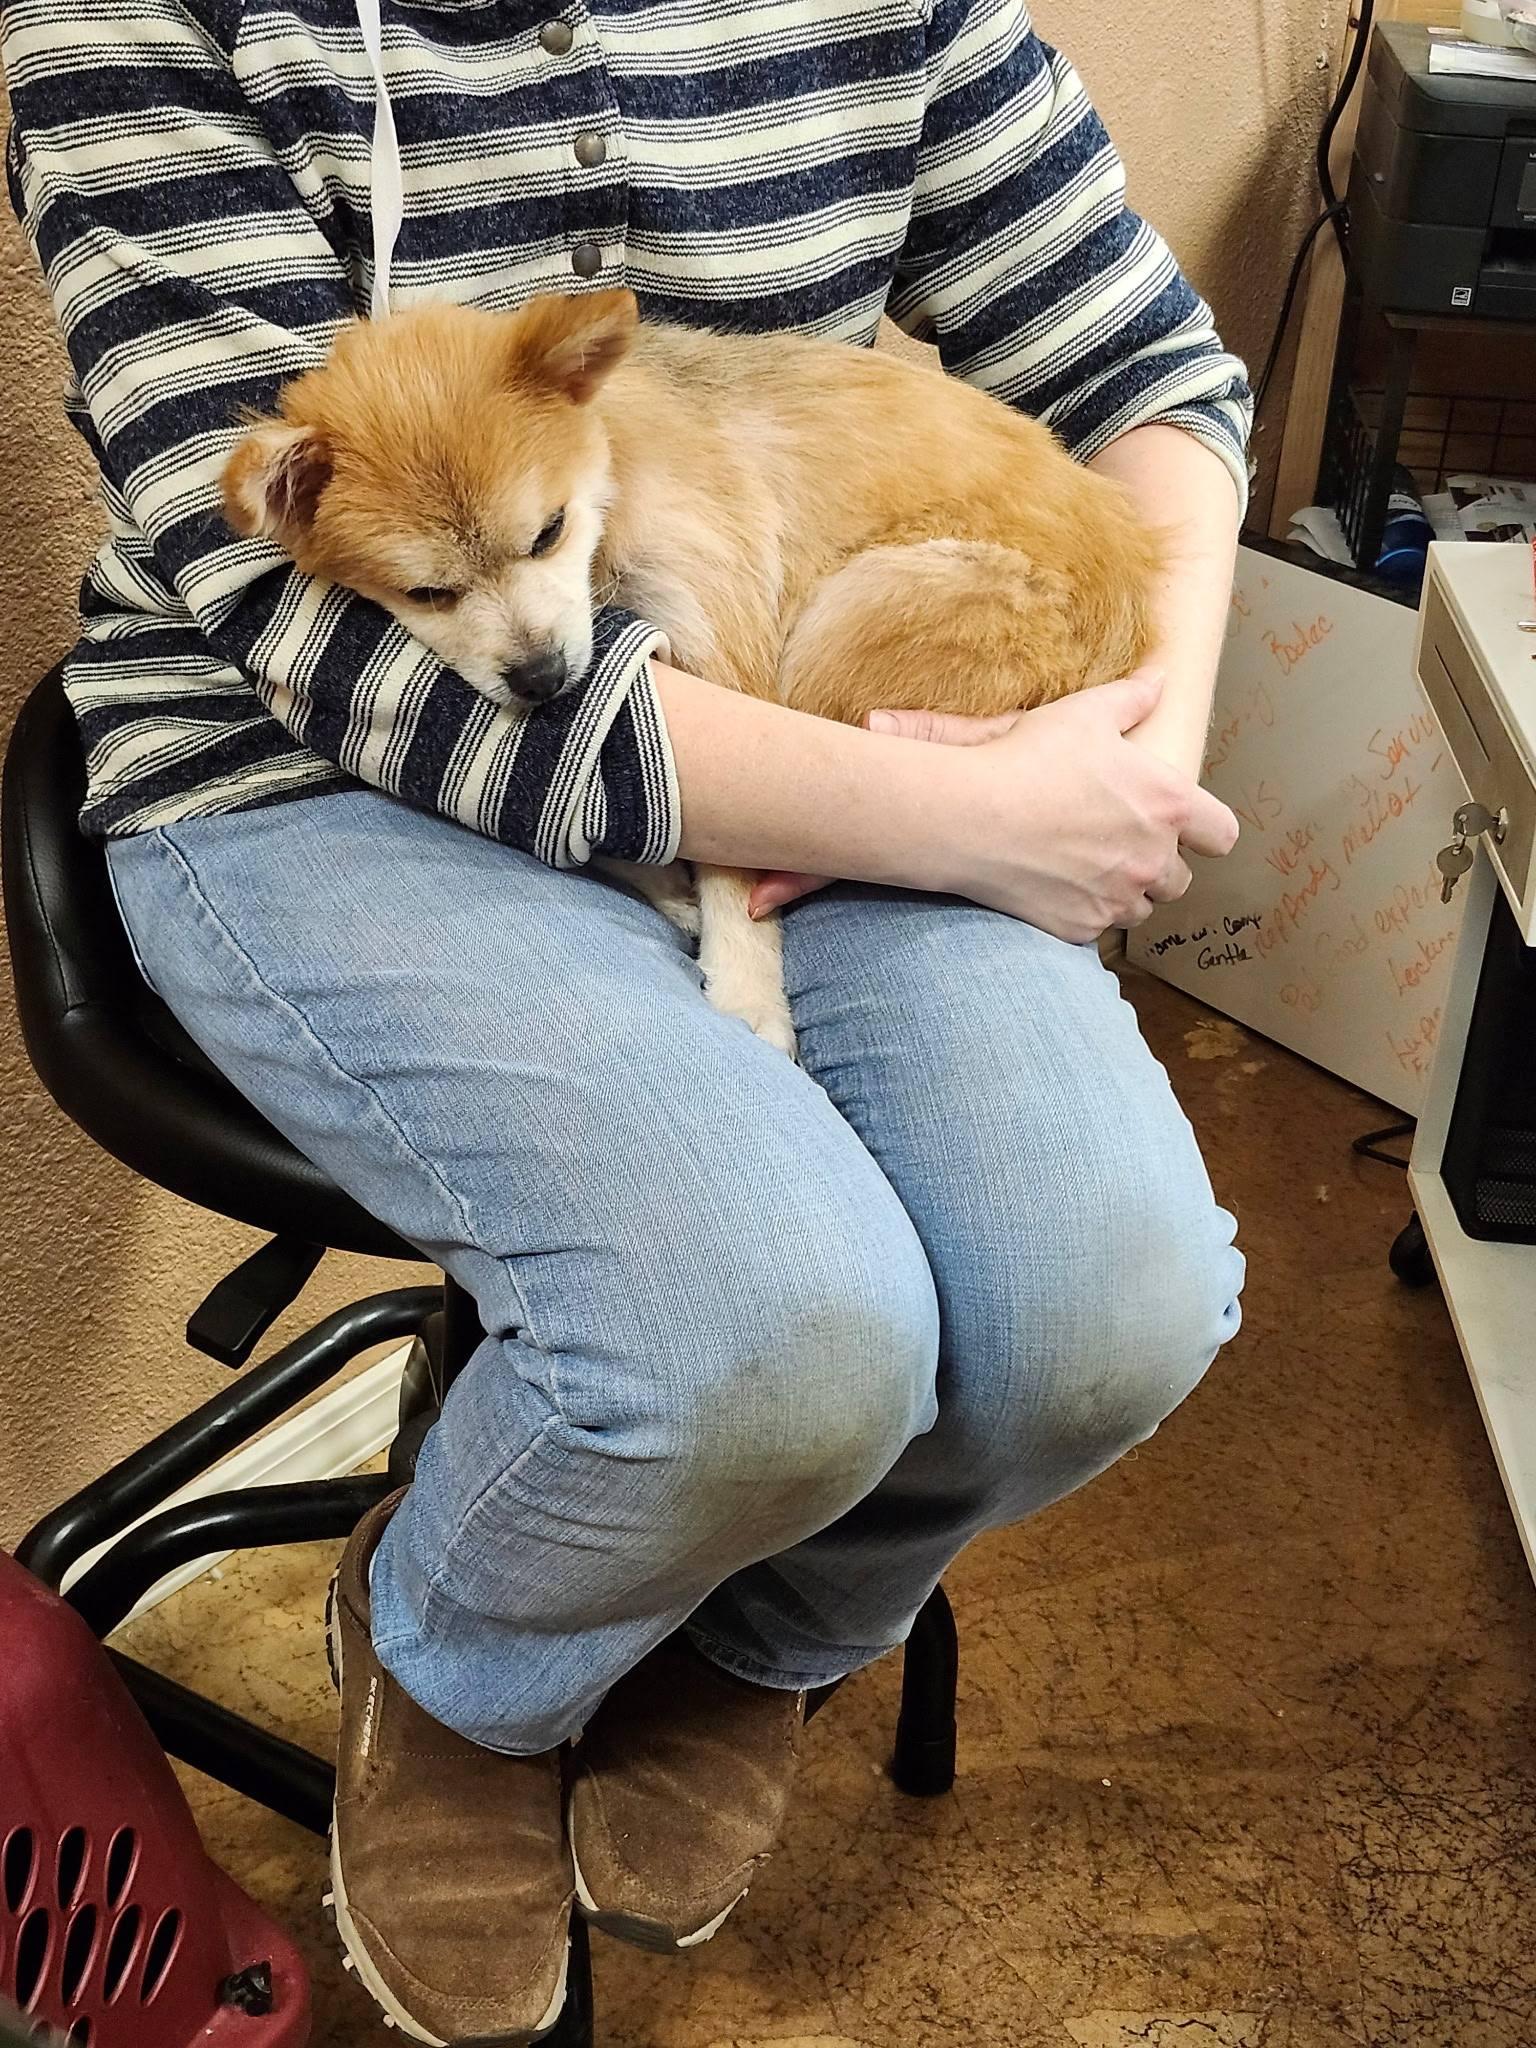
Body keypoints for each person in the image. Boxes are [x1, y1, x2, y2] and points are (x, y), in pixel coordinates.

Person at [3, 0, 1248, 2035]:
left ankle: (754, 1633)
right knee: (769, 1327)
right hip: (306, 773)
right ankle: (458, 1653)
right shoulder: (134, 26)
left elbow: (1147, 370)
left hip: (814, 708)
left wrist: (1128, 760)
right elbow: (327, 645)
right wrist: (959, 814)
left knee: (1101, 1307)